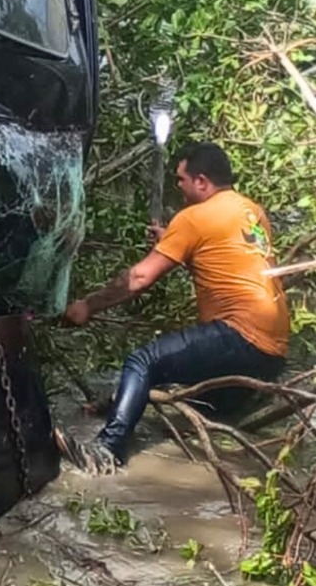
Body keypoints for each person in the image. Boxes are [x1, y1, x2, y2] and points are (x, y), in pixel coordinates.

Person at [56, 142, 289, 473]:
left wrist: (87, 306)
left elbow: (139, 278)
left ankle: (107, 451)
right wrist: (175, 242)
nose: (178, 186)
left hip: (240, 336)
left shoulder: (193, 218)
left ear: (201, 181)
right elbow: (223, 258)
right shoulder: (252, 212)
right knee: (200, 410)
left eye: (181, 179)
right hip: (274, 352)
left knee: (143, 361)